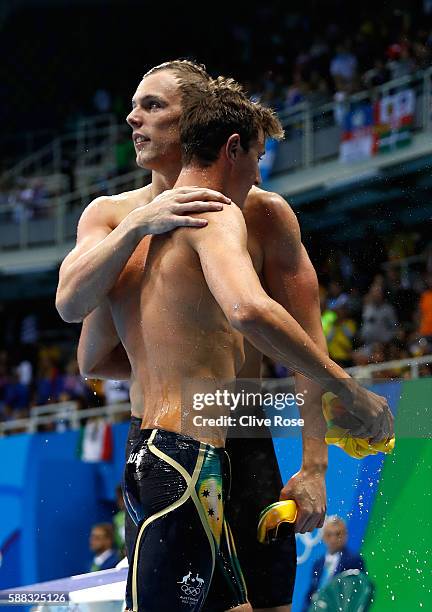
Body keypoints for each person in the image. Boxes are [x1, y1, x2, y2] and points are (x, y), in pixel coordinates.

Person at [56, 61, 393, 612]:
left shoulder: (262, 213)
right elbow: (84, 336)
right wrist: (141, 226)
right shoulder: (115, 217)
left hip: (234, 439)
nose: (132, 116)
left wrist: (313, 466)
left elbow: (304, 341)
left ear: (195, 120)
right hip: (177, 442)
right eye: (135, 104)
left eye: (152, 105)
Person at [302, 516, 365, 611]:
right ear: (323, 537)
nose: (333, 539)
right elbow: (311, 594)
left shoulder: (354, 561)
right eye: (329, 534)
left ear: (345, 535)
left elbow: (358, 595)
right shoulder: (318, 564)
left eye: (338, 534)